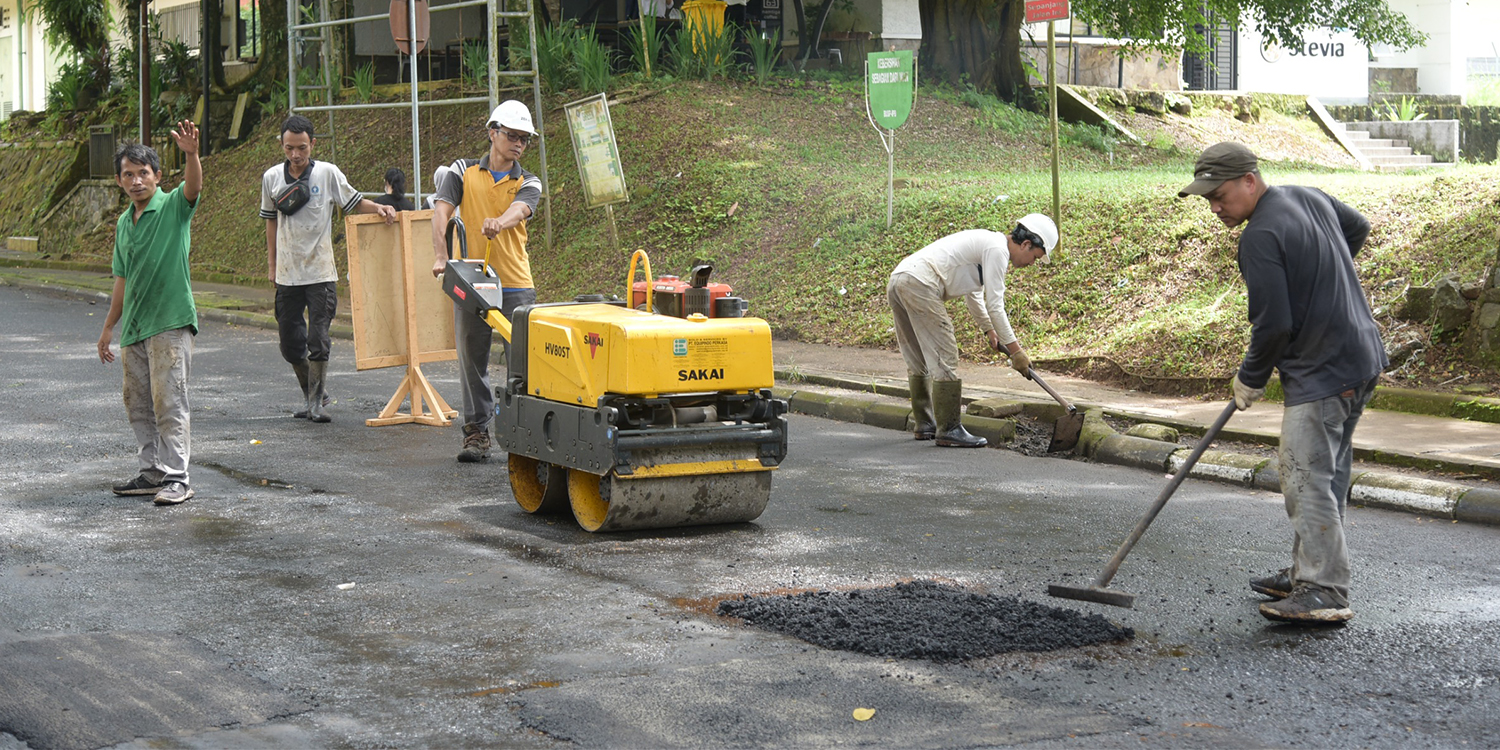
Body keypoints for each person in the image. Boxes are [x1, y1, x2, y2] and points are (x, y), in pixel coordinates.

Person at [1180, 141, 1387, 625]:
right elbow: (1358, 227)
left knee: (1304, 476)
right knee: (1327, 472)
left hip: (1323, 370)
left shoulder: (1259, 237)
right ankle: (1308, 570)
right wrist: (1320, 276)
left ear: (1250, 180)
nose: (1215, 208)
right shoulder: (1309, 196)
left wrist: (1250, 379)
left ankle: (1324, 590)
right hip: (1361, 358)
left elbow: (1272, 326)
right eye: (1208, 199)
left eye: (1220, 196)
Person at [259, 114, 396, 423]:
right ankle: (315, 392)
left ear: (313, 145)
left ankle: (315, 404)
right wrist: (272, 264)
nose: (296, 155)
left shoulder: (327, 173)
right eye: (290, 148)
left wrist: (381, 207)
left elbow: (354, 201)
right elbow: (270, 221)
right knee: (289, 343)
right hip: (287, 274)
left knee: (318, 338)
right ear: (282, 145)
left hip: (320, 273)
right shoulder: (271, 178)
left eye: (302, 148)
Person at [429, 100, 543, 463]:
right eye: (512, 135)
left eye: (524, 139)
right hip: (472, 279)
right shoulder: (460, 171)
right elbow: (441, 212)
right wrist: (441, 257)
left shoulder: (529, 181)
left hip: (515, 282)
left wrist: (500, 220)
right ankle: (476, 433)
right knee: (471, 359)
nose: (519, 144)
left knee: (522, 364)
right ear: (492, 132)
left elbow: (520, 209)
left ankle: (524, 435)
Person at [97, 123, 203, 506]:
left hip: (170, 322)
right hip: (136, 328)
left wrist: (191, 154)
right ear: (119, 180)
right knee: (138, 401)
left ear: (158, 176)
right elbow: (122, 281)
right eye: (129, 174)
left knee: (170, 400)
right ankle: (151, 471)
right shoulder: (125, 223)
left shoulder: (174, 206)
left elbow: (193, 188)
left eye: (144, 173)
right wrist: (109, 327)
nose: (137, 180)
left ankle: (178, 477)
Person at [887, 214, 1057, 448]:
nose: (1031, 264)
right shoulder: (998, 250)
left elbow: (974, 295)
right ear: (1026, 244)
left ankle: (926, 424)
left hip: (900, 278)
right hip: (921, 282)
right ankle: (949, 429)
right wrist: (1017, 352)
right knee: (944, 352)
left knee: (917, 356)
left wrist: (989, 330)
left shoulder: (988, 244)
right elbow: (995, 305)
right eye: (1034, 257)